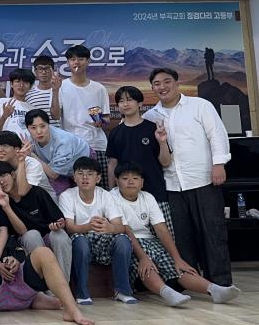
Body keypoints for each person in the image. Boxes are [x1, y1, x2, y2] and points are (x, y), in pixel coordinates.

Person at [143, 67, 233, 286]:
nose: (162, 87)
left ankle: (220, 282)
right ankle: (192, 283)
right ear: (152, 88)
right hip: (172, 185)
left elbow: (217, 135)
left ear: (177, 83)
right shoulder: (150, 116)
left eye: (167, 81)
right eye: (157, 84)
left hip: (203, 179)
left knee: (213, 232)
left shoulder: (200, 105)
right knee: (182, 237)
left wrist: (219, 164)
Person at [0, 195, 94, 325]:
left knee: (43, 252)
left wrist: (15, 261)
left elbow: (19, 252)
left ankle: (71, 310)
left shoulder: (2, 237)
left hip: (17, 287)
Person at [111, 162, 241, 306]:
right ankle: (167, 293)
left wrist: (177, 259)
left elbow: (161, 229)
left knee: (177, 266)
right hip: (127, 241)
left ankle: (214, 290)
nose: (130, 182)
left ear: (142, 182)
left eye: (135, 178)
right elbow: (125, 229)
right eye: (125, 178)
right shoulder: (112, 197)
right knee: (146, 265)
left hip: (150, 241)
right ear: (117, 181)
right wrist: (143, 258)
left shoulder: (148, 197)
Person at [59, 156, 136, 305]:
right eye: (80, 174)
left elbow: (120, 226)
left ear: (98, 178)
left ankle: (122, 291)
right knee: (80, 242)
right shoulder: (67, 196)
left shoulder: (105, 195)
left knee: (123, 240)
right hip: (79, 236)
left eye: (90, 174)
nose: (85, 178)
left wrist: (110, 227)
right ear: (74, 177)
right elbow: (69, 228)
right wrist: (89, 226)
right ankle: (82, 293)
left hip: (102, 237)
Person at [107, 86, 173, 234]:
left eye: (130, 100)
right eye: (121, 101)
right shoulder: (115, 133)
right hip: (126, 195)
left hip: (155, 190)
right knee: (131, 237)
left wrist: (162, 142)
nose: (125, 104)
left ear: (140, 104)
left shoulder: (153, 128)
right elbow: (112, 164)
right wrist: (111, 191)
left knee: (165, 236)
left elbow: (166, 162)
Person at [0, 160, 72, 281]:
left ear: (13, 174)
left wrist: (56, 225)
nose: (1, 182)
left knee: (59, 236)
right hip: (26, 243)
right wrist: (6, 207)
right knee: (32, 235)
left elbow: (59, 220)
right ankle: (47, 285)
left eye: (3, 175)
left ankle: (63, 284)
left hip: (48, 235)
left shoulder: (37, 192)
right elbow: (22, 231)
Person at [56, 45, 111, 188]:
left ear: (88, 61)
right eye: (72, 59)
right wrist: (55, 91)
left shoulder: (99, 88)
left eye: (81, 59)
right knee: (74, 190)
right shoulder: (61, 86)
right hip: (72, 146)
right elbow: (55, 115)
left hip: (97, 144)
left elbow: (107, 119)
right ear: (68, 63)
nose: (76, 62)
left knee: (101, 189)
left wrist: (101, 122)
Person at [25, 109, 91, 195]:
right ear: (27, 128)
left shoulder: (63, 141)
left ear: (48, 125)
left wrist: (32, 155)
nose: (39, 131)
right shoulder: (27, 138)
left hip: (83, 160)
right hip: (56, 167)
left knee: (82, 195)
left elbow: (54, 174)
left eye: (43, 126)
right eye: (33, 128)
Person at [0, 130, 55, 199]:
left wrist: (21, 162)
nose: (0, 150)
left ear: (17, 149)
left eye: (5, 146)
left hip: (43, 201)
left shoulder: (32, 164)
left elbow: (23, 191)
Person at [0, 69, 36, 138]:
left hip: (28, 144)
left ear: (30, 86)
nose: (21, 85)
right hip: (6, 143)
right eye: (17, 81)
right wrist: (4, 116)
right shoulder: (2, 102)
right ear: (11, 84)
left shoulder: (33, 109)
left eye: (25, 82)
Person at [26, 55, 62, 126]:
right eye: (40, 69)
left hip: (58, 131)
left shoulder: (60, 90)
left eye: (47, 68)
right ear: (35, 72)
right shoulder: (28, 94)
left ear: (52, 71)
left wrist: (55, 91)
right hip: (37, 132)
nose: (43, 72)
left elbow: (58, 116)